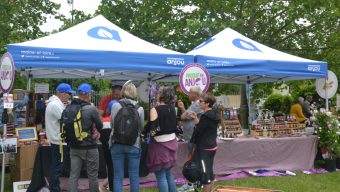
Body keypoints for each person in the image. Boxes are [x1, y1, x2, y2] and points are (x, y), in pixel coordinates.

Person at [110, 81, 144, 192]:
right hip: (133, 143)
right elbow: (141, 128)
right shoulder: (140, 108)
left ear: (123, 91)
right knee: (134, 175)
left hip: (117, 142)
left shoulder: (115, 105)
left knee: (118, 176)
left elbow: (112, 125)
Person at [68, 83, 103, 192]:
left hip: (74, 147)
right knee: (92, 176)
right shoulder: (91, 109)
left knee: (73, 175)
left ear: (78, 94)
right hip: (90, 147)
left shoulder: (70, 107)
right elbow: (100, 125)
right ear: (88, 94)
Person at [146, 86, 178, 192]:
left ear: (161, 96)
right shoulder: (173, 109)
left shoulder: (155, 109)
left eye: (158, 93)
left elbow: (152, 131)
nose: (157, 94)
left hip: (159, 145)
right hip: (172, 143)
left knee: (160, 176)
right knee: (168, 173)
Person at [45, 83, 75, 192]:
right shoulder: (55, 105)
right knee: (57, 167)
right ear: (62, 94)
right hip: (59, 141)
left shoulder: (55, 103)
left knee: (57, 165)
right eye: (69, 94)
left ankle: (54, 187)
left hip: (57, 140)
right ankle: (54, 188)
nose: (69, 96)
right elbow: (67, 120)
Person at [189, 92, 219, 192]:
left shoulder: (206, 116)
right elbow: (204, 127)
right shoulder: (213, 114)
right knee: (209, 171)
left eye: (201, 101)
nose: (199, 103)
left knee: (206, 175)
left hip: (205, 149)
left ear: (207, 104)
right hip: (212, 147)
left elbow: (198, 131)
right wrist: (196, 119)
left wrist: (191, 143)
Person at [177, 86, 203, 192]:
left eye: (190, 92)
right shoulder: (195, 104)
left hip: (194, 136)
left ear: (196, 95)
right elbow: (186, 116)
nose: (188, 94)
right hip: (193, 136)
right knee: (194, 160)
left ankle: (191, 183)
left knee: (192, 161)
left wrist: (182, 110)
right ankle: (195, 182)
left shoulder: (197, 104)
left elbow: (183, 117)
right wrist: (183, 108)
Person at [99, 86, 122, 192]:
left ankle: (110, 185)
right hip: (107, 132)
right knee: (111, 164)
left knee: (115, 164)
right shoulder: (106, 99)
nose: (118, 97)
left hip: (118, 133)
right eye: (116, 95)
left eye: (120, 95)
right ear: (112, 93)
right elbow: (100, 115)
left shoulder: (123, 100)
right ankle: (110, 185)